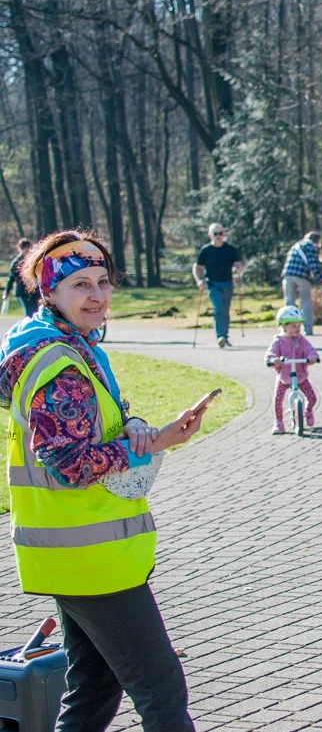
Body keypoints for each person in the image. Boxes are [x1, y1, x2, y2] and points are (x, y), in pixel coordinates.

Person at [0, 230, 211, 731]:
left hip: (78, 552)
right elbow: (68, 462)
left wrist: (134, 426)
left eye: (103, 282)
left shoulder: (66, 344)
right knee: (160, 689)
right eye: (80, 285)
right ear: (48, 292)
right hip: (91, 556)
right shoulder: (57, 362)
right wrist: (158, 443)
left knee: (94, 688)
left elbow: (89, 428)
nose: (97, 296)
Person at [266, 305, 321, 435]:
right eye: (293, 326)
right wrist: (273, 360)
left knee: (312, 397)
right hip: (284, 377)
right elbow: (271, 353)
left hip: (300, 376)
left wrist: (312, 356)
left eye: (298, 326)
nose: (297, 329)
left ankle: (307, 411)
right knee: (277, 400)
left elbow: (309, 349)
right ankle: (279, 423)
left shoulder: (301, 340)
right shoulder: (279, 341)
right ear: (284, 326)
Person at [192, 222, 243, 348]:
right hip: (212, 284)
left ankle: (225, 337)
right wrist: (199, 280)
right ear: (210, 235)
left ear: (224, 234)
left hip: (227, 283)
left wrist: (238, 268)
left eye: (221, 233)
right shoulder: (206, 251)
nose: (218, 236)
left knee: (225, 311)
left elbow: (239, 263)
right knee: (218, 309)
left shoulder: (230, 249)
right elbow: (197, 267)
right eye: (216, 234)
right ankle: (220, 336)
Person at [282, 231, 322, 336]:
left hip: (287, 275)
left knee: (289, 303)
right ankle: (308, 329)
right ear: (317, 240)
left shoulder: (297, 245)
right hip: (301, 276)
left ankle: (288, 329)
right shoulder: (310, 246)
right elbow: (313, 265)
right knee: (305, 302)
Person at [4, 238, 38, 317]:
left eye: (28, 247)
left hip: (34, 290)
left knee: (36, 311)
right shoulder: (17, 261)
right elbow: (11, 277)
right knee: (29, 311)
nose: (27, 250)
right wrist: (7, 290)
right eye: (25, 248)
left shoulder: (34, 260)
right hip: (23, 291)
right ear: (21, 249)